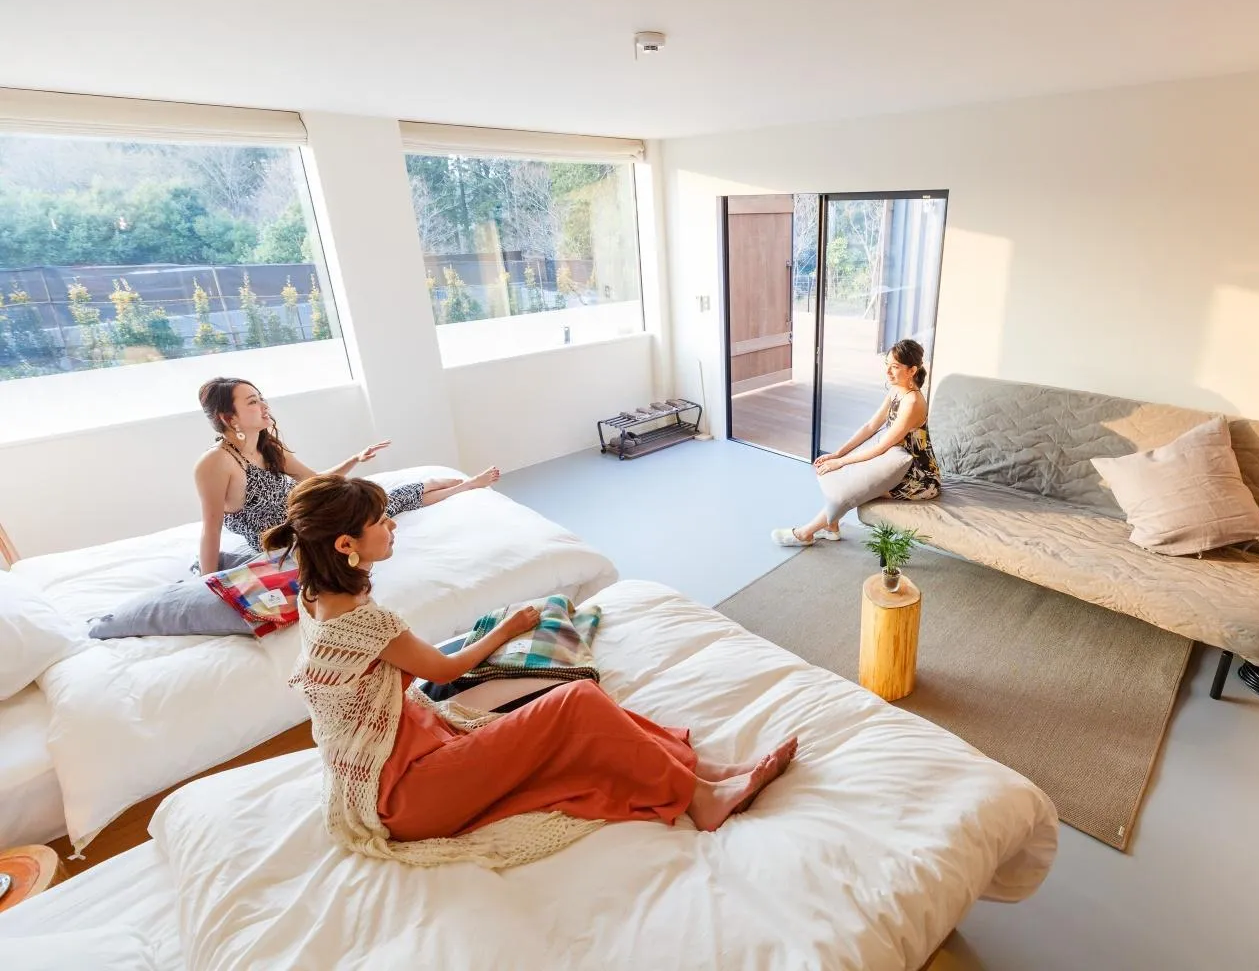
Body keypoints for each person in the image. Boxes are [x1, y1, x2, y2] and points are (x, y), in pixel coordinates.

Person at [271, 474, 797, 865]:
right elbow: (447, 664)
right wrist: (507, 628)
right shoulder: (363, 622)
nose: (391, 527)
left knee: (575, 713)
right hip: (407, 795)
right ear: (345, 546)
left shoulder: (312, 595)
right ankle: (702, 797)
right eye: (380, 522)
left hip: (404, 756)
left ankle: (700, 772)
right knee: (576, 700)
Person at [193, 377, 499, 574]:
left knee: (373, 502)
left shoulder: (266, 446)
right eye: (252, 402)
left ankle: (460, 485)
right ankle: (459, 486)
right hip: (285, 538)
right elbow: (211, 529)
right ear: (228, 417)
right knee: (369, 513)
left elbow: (315, 481)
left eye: (261, 398)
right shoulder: (216, 463)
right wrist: (209, 582)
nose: (264, 406)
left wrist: (355, 460)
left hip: (304, 514)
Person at [773, 338, 941, 546]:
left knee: (856, 489)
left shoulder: (913, 402)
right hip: (892, 463)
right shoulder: (896, 390)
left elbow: (881, 446)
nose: (888, 372)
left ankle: (805, 533)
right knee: (842, 475)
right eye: (886, 365)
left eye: (895, 367)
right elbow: (870, 427)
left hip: (918, 477)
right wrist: (838, 454)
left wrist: (841, 462)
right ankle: (830, 526)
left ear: (912, 370)